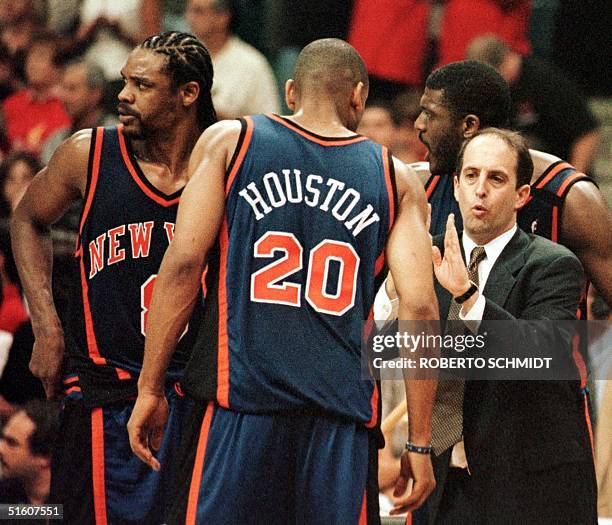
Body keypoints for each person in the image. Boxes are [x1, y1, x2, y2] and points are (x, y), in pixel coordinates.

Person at [128, 38, 439, 524]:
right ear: (358, 96)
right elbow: (420, 308)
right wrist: (420, 442)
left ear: (291, 91)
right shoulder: (396, 178)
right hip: (340, 421)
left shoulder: (231, 141)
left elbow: (183, 265)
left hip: (240, 409)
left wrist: (150, 388)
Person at [10, 31, 216, 525]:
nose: (122, 95)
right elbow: (26, 220)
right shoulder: (89, 152)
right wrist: (46, 327)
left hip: (192, 398)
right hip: (101, 390)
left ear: (188, 93)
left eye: (141, 85)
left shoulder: (227, 164)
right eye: (124, 81)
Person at [427, 128, 597, 523]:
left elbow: (539, 356)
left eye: (495, 178)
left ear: (522, 195)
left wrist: (468, 297)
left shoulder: (554, 264)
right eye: (470, 176)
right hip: (445, 484)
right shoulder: (428, 255)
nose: (480, 190)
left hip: (531, 487)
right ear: (455, 186)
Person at [414, 60, 612, 308]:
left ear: (469, 125)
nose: (419, 124)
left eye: (430, 114)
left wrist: (599, 346)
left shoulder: (570, 197)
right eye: (470, 176)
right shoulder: (419, 187)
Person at [466, 35, 601, 173]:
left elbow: (586, 131)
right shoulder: (496, 94)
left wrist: (573, 182)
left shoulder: (545, 81)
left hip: (558, 166)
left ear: (503, 63)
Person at [186, 0, 280, 118]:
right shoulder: (186, 57)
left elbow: (271, 122)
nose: (189, 18)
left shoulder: (252, 64)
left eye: (198, 11)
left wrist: (222, 119)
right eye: (190, 10)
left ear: (222, 17)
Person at [41, 59, 116, 165]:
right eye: (64, 88)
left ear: (95, 94)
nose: (64, 96)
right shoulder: (55, 142)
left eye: (72, 89)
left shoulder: (117, 136)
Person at [0, 400, 60, 505]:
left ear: (45, 458)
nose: (1, 449)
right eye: (2, 439)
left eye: (11, 443)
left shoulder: (76, 504)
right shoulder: (4, 495)